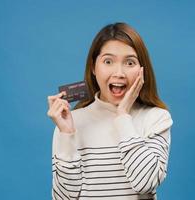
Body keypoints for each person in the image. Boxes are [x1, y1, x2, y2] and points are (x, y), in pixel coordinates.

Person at [47, 22, 173, 200]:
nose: (119, 73)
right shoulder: (70, 122)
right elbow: (64, 197)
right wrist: (67, 134)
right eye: (108, 61)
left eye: (130, 62)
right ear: (93, 68)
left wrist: (123, 116)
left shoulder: (156, 118)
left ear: (141, 70)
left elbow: (145, 183)